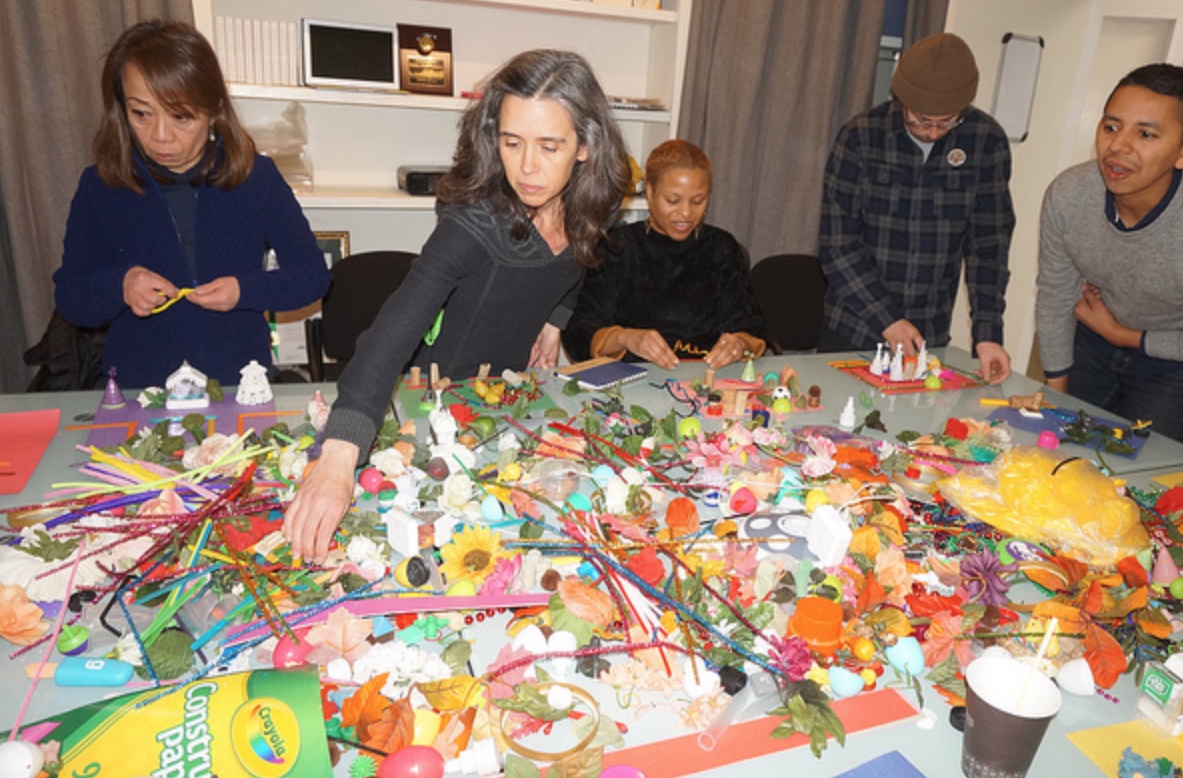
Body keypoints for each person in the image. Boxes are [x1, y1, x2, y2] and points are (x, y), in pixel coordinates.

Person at [284, 48, 631, 561]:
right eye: (512, 143)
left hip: (506, 401)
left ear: (585, 147)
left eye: (549, 146)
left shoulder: (596, 200)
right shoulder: (472, 225)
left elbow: (581, 258)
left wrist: (556, 320)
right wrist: (340, 453)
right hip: (430, 406)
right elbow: (394, 327)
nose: (528, 168)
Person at [53, 20, 330, 389]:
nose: (160, 136)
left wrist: (244, 291)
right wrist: (120, 284)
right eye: (141, 114)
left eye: (181, 116)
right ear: (122, 109)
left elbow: (312, 276)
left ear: (214, 106)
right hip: (139, 387)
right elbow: (71, 297)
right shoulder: (101, 185)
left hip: (239, 382)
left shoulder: (256, 177)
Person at [1035, 63, 1183, 442]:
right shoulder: (1069, 195)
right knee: (1053, 445)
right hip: (1092, 341)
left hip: (1178, 363)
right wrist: (1054, 388)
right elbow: (1056, 294)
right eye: (1111, 127)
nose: (1118, 146)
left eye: (1146, 134)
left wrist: (1125, 335)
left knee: (1127, 470)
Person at [818, 32, 1015, 384]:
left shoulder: (987, 141)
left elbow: (989, 246)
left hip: (929, 332)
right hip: (853, 328)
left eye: (946, 121)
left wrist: (988, 333)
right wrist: (887, 319)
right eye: (922, 120)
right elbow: (837, 245)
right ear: (901, 99)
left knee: (915, 436)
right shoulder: (861, 137)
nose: (934, 132)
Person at [562, 139, 767, 370]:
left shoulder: (721, 247)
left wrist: (739, 344)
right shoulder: (617, 246)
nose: (686, 213)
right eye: (673, 200)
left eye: (698, 201)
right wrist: (626, 338)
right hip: (633, 382)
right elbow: (578, 336)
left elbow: (754, 330)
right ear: (649, 191)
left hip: (707, 382)